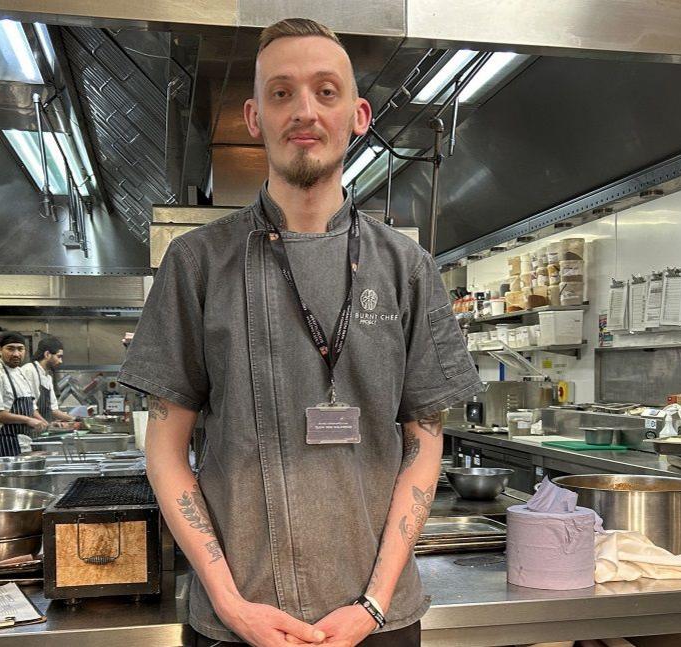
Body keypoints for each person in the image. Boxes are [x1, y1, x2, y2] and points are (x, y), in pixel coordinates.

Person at [120, 18, 481, 647]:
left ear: (358, 115)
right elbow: (165, 450)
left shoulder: (407, 269)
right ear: (255, 118)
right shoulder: (197, 263)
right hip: (237, 626)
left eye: (325, 91)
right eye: (282, 93)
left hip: (378, 623)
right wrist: (232, 605)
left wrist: (371, 607)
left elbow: (424, 447)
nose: (304, 111)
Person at [0, 332, 49, 456]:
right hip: (4, 444)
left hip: (24, 443)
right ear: (0, 350)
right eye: (10, 349)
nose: (16, 354)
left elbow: (30, 406)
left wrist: (44, 422)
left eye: (20, 349)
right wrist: (28, 420)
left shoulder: (20, 373)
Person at [19, 335, 76, 426]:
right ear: (47, 354)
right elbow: (29, 407)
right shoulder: (29, 371)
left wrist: (75, 419)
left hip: (41, 430)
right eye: (59, 356)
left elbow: (53, 410)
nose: (60, 361)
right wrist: (47, 425)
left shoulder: (48, 376)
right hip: (30, 429)